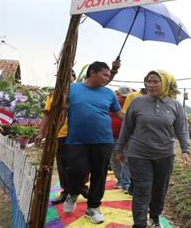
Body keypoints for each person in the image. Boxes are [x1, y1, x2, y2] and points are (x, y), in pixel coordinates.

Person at [115, 70, 190, 228]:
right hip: (139, 154)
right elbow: (127, 127)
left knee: (159, 190)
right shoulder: (137, 102)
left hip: (164, 155)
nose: (151, 85)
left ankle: (154, 218)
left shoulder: (175, 105)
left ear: (166, 83)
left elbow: (182, 129)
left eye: (156, 81)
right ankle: (140, 224)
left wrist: (185, 150)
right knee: (142, 190)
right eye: (148, 81)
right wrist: (120, 148)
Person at [62, 61, 124, 224]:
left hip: (103, 140)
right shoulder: (72, 89)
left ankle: (93, 207)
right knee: (76, 169)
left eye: (109, 75)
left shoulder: (109, 93)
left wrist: (136, 123)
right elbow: (59, 109)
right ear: (92, 73)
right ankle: (73, 193)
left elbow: (119, 114)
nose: (107, 78)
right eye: (104, 74)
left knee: (99, 173)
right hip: (76, 140)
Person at [34, 70, 90, 204]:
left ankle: (81, 187)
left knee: (81, 164)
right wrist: (41, 132)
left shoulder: (82, 92)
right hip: (60, 135)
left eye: (68, 75)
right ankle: (66, 191)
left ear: (74, 77)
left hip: (80, 135)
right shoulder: (54, 95)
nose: (64, 78)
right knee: (63, 164)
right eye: (60, 76)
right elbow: (47, 114)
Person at [110, 86, 132, 192]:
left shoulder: (132, 103)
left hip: (128, 136)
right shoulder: (112, 104)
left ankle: (126, 182)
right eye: (123, 96)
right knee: (115, 159)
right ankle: (120, 180)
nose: (125, 98)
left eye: (126, 97)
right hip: (113, 136)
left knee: (127, 159)